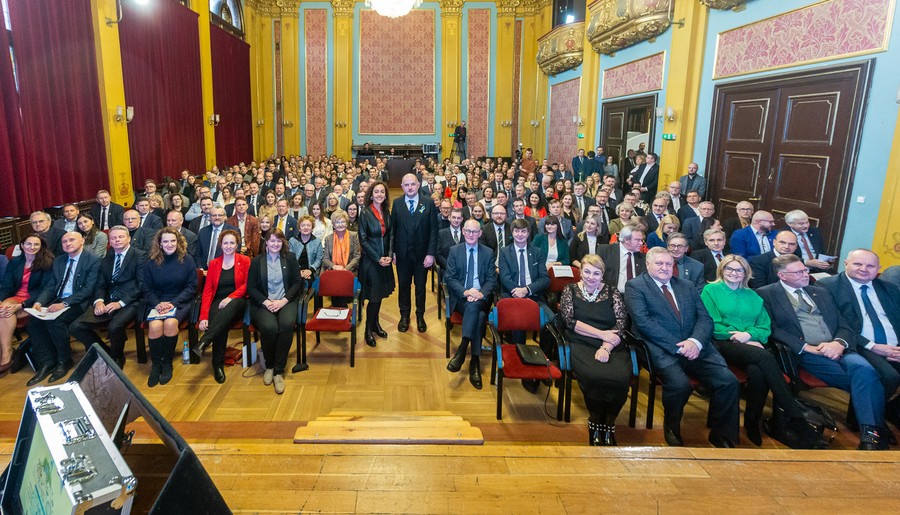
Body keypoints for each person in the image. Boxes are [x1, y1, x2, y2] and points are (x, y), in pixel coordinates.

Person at [758, 254, 888, 450]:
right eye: (799, 272)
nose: (806, 274)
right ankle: (873, 434)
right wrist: (806, 347)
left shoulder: (820, 292)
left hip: (839, 348)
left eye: (805, 270)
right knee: (867, 380)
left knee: (866, 370)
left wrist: (839, 343)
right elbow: (773, 329)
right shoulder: (766, 294)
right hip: (808, 353)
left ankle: (870, 434)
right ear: (782, 275)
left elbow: (843, 324)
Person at [625, 247, 741, 448]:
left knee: (728, 381)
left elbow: (705, 318)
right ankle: (672, 428)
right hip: (661, 348)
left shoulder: (686, 285)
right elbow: (644, 323)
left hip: (695, 347)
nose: (664, 267)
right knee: (680, 385)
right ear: (648, 264)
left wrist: (695, 342)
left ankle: (721, 434)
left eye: (668, 264)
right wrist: (678, 347)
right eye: (659, 263)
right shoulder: (636, 286)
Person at [700, 255, 813, 445]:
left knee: (759, 373)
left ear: (746, 273)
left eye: (739, 270)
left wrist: (749, 335)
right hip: (722, 343)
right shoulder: (710, 290)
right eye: (729, 269)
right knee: (764, 356)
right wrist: (740, 336)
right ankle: (796, 416)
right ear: (722, 270)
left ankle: (752, 423)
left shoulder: (752, 295)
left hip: (751, 345)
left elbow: (765, 326)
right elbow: (712, 324)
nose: (734, 273)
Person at [818, 249, 900, 430]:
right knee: (889, 376)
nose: (864, 269)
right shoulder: (828, 286)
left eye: (870, 266)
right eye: (858, 264)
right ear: (846, 263)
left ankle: (891, 410)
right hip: (860, 344)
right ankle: (867, 421)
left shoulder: (889, 288)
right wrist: (873, 346)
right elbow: (835, 325)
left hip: (894, 345)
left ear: (878, 269)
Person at [560, 254, 630, 445]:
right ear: (580, 272)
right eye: (587, 272)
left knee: (621, 378)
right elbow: (569, 321)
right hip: (581, 341)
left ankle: (609, 423)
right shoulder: (570, 290)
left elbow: (621, 323)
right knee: (593, 376)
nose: (591, 277)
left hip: (612, 344)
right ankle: (595, 420)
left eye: (596, 273)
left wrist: (606, 348)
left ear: (602, 275)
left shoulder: (612, 292)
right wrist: (601, 334)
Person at [27, 232, 102, 386]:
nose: (68, 243)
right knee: (33, 322)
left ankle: (64, 360)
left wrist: (65, 303)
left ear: (82, 241)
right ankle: (47, 362)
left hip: (79, 302)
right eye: (64, 241)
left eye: (71, 240)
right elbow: (51, 285)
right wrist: (40, 302)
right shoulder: (59, 260)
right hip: (58, 300)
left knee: (55, 321)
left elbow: (88, 289)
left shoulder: (93, 260)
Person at [69, 226, 145, 370]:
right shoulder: (107, 258)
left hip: (131, 301)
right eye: (113, 238)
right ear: (109, 241)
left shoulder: (140, 256)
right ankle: (106, 353)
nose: (117, 240)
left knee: (114, 327)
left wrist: (120, 303)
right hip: (108, 301)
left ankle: (117, 357)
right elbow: (100, 284)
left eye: (121, 237)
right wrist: (99, 301)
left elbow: (141, 286)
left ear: (129, 238)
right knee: (76, 327)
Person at [248, 230, 302, 394]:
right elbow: (251, 288)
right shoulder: (257, 261)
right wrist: (266, 302)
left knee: (286, 325)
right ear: (266, 242)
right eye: (272, 241)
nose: (275, 244)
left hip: (286, 301)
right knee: (269, 327)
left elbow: (297, 282)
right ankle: (269, 366)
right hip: (263, 303)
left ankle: (278, 371)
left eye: (278, 241)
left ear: (283, 242)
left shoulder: (290, 258)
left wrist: (283, 301)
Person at [141, 228, 197, 388]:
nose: (169, 244)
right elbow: (147, 289)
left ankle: (167, 363)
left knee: (170, 323)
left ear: (178, 242)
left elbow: (191, 287)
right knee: (155, 325)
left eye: (173, 241)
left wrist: (172, 303)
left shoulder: (187, 260)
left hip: (180, 301)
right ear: (159, 243)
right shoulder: (151, 262)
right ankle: (156, 364)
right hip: (157, 302)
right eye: (165, 241)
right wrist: (157, 303)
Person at [445, 220, 495, 390]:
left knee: (475, 308)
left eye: (475, 232)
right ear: (463, 232)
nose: (471, 234)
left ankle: (462, 349)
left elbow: (491, 280)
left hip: (481, 297)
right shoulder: (455, 251)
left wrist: (481, 293)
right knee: (479, 316)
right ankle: (474, 362)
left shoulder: (488, 252)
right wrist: (466, 292)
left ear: (480, 233)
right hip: (462, 298)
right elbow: (450, 278)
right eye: (468, 231)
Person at [195, 230, 249, 384]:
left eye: (232, 243)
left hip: (238, 300)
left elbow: (247, 285)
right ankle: (217, 365)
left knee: (227, 311)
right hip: (218, 302)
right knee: (220, 323)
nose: (228, 246)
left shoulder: (245, 260)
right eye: (225, 243)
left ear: (237, 245)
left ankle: (204, 341)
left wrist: (230, 298)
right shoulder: (214, 263)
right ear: (221, 244)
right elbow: (207, 291)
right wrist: (203, 316)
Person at [391, 174, 438, 334]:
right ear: (402, 187)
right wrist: (392, 252)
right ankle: (404, 316)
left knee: (420, 287)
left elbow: (434, 231)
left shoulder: (428, 203)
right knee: (403, 287)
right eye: (406, 185)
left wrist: (431, 254)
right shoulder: (397, 203)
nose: (410, 187)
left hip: (422, 256)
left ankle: (420, 316)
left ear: (418, 185)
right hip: (402, 255)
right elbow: (393, 230)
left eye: (412, 184)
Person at [0, 235, 53, 373]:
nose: (32, 247)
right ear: (22, 245)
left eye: (36, 244)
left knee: (5, 312)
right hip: (16, 297)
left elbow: (44, 290)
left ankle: (6, 353)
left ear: (41, 246)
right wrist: (1, 299)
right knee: (3, 308)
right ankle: (6, 350)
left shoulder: (47, 262)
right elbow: (6, 286)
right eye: (28, 244)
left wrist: (22, 305)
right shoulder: (15, 262)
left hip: (35, 300)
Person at [358, 181, 395, 347]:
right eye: (376, 192)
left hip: (385, 260)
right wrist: (377, 258)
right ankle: (368, 329)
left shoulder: (386, 211)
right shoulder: (365, 213)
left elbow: (391, 235)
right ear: (371, 195)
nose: (379, 194)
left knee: (379, 295)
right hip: (371, 261)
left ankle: (375, 324)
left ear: (385, 195)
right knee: (373, 297)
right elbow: (363, 240)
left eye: (382, 192)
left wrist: (389, 255)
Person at [321, 210, 361, 308]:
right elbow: (325, 258)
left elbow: (356, 257)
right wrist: (334, 266)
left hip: (350, 270)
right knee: (336, 285)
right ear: (333, 225)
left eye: (342, 222)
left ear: (346, 223)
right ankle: (340, 310)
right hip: (333, 271)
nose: (340, 224)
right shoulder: (328, 238)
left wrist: (345, 269)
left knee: (341, 284)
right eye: (337, 222)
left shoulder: (354, 236)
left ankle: (341, 310)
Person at [597, 226, 646, 294]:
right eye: (637, 240)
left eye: (641, 240)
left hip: (635, 295)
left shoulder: (642, 257)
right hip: (610, 294)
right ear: (626, 240)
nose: (641, 243)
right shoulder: (605, 251)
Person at [289, 215, 323, 284]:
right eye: (303, 225)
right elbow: (290, 259)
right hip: (295, 271)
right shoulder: (292, 241)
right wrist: (299, 271)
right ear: (299, 228)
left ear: (312, 228)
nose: (306, 227)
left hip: (311, 272)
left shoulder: (317, 242)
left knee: (306, 282)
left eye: (308, 225)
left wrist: (310, 270)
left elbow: (319, 259)